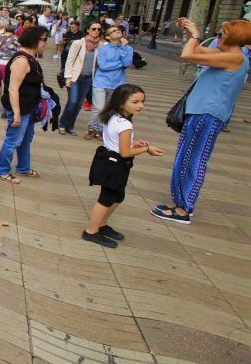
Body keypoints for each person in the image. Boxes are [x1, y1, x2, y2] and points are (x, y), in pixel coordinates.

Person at [152, 18, 251, 224]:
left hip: (206, 114)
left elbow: (187, 55)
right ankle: (180, 203)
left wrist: (196, 34)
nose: (218, 37)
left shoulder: (236, 57)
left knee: (192, 159)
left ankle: (184, 209)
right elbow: (196, 51)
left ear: (233, 37)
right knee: (185, 157)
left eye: (222, 34)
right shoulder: (228, 55)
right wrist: (190, 33)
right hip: (201, 112)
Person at [82, 84, 163, 247]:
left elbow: (119, 143)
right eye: (135, 102)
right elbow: (125, 152)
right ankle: (91, 231)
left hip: (109, 160)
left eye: (142, 101)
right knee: (106, 198)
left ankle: (101, 225)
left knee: (118, 196)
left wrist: (135, 144)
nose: (140, 105)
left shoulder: (114, 117)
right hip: (115, 164)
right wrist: (146, 149)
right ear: (121, 103)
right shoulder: (125, 124)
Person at [0, 26, 48, 183]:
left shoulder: (30, 58)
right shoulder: (22, 60)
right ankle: (2, 170)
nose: (45, 43)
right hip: (20, 108)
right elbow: (12, 89)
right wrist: (17, 113)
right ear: (34, 40)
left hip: (28, 107)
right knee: (13, 140)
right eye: (44, 40)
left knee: (25, 139)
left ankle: (23, 167)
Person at [85, 24, 132, 140]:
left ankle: (101, 130)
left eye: (118, 30)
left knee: (108, 108)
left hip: (117, 83)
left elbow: (127, 63)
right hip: (101, 82)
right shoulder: (103, 48)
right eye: (114, 31)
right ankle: (91, 128)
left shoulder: (128, 48)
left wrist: (124, 48)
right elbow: (103, 66)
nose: (117, 31)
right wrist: (120, 64)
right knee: (99, 107)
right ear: (108, 37)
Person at [60, 22, 102, 135]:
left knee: (78, 104)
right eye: (94, 29)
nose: (96, 31)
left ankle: (70, 126)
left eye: (99, 29)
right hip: (75, 77)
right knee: (72, 101)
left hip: (88, 78)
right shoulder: (78, 43)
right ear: (88, 30)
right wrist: (68, 77)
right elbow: (69, 60)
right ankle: (63, 124)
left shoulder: (100, 45)